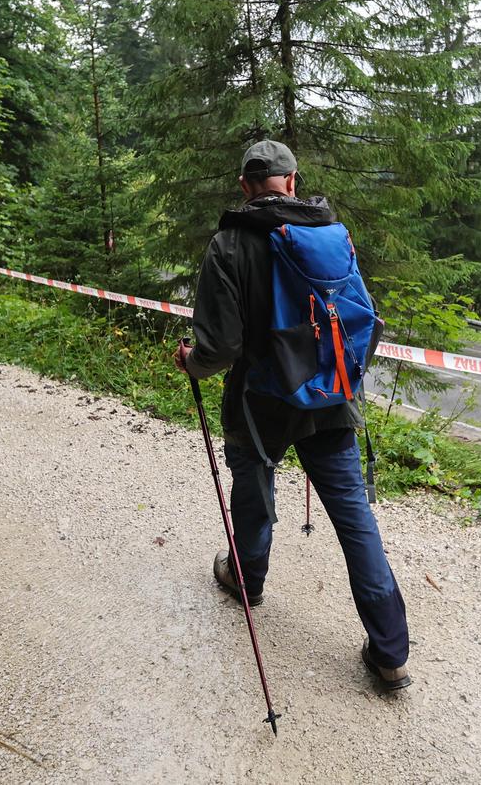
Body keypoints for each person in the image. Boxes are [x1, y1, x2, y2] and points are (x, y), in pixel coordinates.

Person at [173, 139, 410, 690]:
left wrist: (191, 362)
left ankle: (247, 577)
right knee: (354, 519)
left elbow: (221, 348)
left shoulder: (229, 244)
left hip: (262, 402)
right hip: (331, 398)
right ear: (293, 181)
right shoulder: (331, 235)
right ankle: (391, 651)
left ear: (245, 186)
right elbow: (362, 320)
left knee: (254, 490)